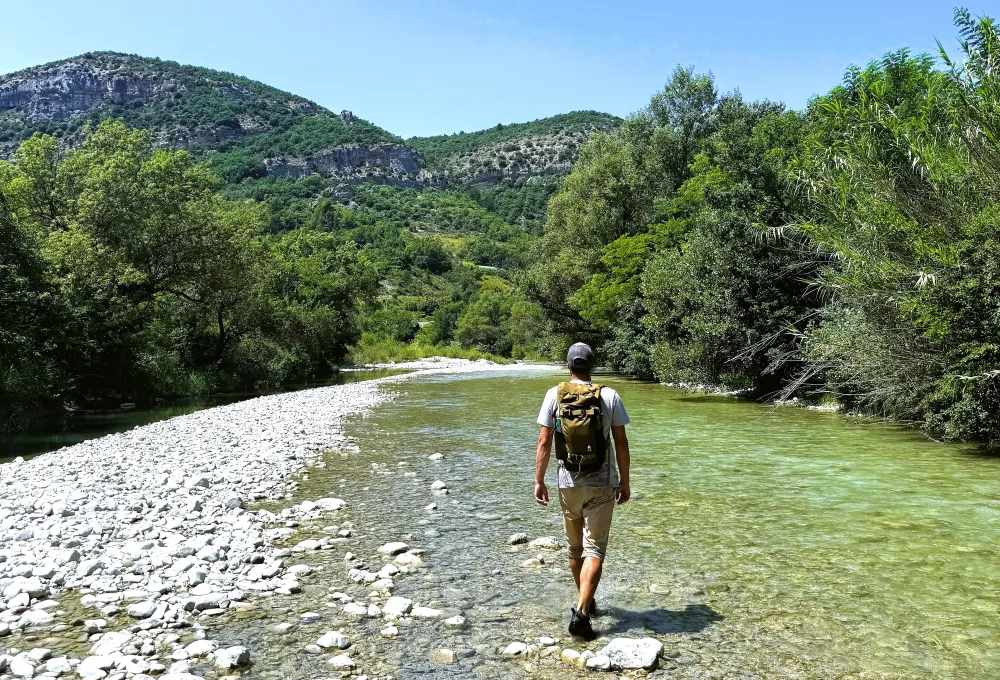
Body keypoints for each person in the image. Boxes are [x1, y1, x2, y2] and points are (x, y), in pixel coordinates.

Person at [534, 342, 630, 640]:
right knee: (595, 550)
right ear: (593, 366)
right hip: (601, 482)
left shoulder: (554, 394)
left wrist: (539, 480)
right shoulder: (609, 395)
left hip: (567, 482)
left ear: (568, 366)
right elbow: (622, 443)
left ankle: (584, 602)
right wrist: (624, 480)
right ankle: (582, 611)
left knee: (576, 549)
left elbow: (544, 443)